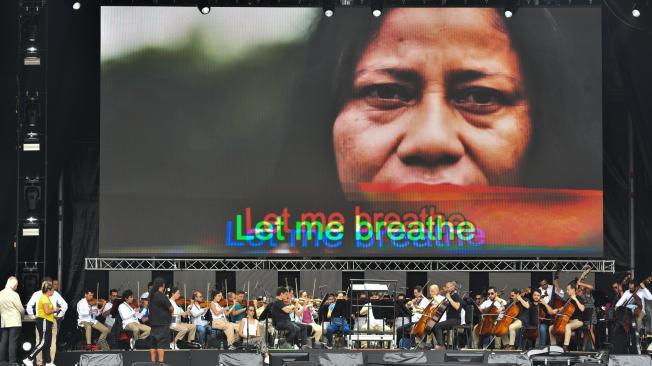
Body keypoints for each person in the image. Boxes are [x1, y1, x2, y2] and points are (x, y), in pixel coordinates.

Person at [26, 277, 67, 366]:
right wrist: (58, 315)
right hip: (46, 320)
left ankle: (44, 362)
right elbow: (63, 306)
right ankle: (33, 359)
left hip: (47, 320)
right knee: (46, 342)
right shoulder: (45, 296)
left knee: (44, 342)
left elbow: (29, 306)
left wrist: (33, 317)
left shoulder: (39, 294)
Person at [23, 281, 56, 366]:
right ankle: (29, 359)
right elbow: (47, 311)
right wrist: (55, 309)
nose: (54, 291)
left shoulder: (46, 298)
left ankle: (48, 362)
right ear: (49, 290)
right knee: (43, 342)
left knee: (47, 343)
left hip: (47, 321)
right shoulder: (44, 298)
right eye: (53, 290)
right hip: (44, 321)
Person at [549, 282, 585, 352]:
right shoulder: (569, 300)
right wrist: (557, 310)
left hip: (578, 321)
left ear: (573, 290)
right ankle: (554, 347)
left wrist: (575, 299)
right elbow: (563, 308)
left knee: (567, 326)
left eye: (568, 289)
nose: (567, 291)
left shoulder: (579, 298)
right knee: (550, 328)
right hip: (569, 320)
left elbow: (582, 309)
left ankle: (565, 347)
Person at [0, 276, 24, 363]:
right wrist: (23, 316)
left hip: (4, 322)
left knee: (3, 342)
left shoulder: (0, 293)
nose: (16, 287)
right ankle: (12, 362)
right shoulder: (14, 295)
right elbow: (21, 309)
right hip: (14, 322)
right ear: (13, 285)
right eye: (16, 285)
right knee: (12, 342)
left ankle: (2, 361)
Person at [148, 278, 172, 364]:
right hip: (162, 323)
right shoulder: (161, 295)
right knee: (161, 344)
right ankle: (161, 362)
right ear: (163, 285)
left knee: (153, 344)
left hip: (153, 323)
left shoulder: (151, 295)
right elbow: (171, 308)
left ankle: (153, 363)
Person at [432, 282, 462, 350]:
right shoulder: (449, 296)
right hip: (449, 320)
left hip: (455, 320)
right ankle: (443, 344)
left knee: (437, 326)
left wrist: (449, 298)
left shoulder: (456, 296)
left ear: (453, 287)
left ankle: (441, 345)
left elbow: (457, 307)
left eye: (449, 287)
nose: (447, 289)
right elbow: (443, 308)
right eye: (447, 287)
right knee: (433, 326)